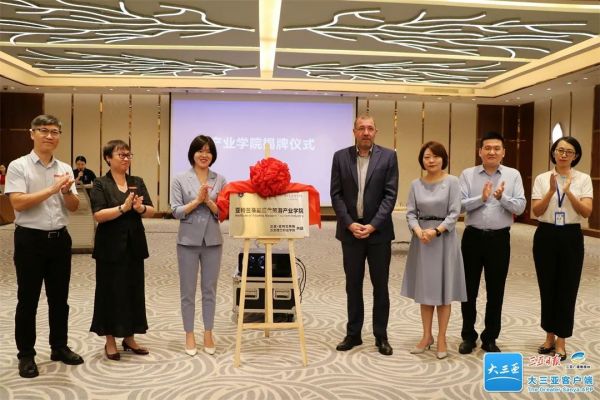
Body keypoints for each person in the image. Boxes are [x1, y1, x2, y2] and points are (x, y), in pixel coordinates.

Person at [5, 114, 83, 378]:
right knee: (28, 300)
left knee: (59, 299)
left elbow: (74, 206)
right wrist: (52, 189)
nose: (49, 136)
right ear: (32, 133)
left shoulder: (65, 168)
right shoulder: (19, 166)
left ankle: (59, 346)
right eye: (43, 130)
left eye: (54, 131)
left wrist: (65, 191)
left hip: (60, 239)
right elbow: (17, 202)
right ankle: (26, 354)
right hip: (30, 240)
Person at [330, 114, 399, 356]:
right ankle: (353, 334)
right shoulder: (340, 157)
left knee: (380, 286)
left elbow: (390, 195)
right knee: (353, 285)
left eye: (370, 128)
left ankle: (381, 335)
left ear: (376, 132)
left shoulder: (388, 157)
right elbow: (336, 195)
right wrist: (349, 224)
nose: (366, 132)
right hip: (350, 233)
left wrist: (373, 225)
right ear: (354, 132)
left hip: (378, 234)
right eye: (361, 128)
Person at [458, 131, 526, 354]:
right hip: (472, 237)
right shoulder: (467, 174)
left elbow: (520, 207)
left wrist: (501, 198)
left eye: (497, 148)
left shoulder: (513, 175)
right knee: (468, 290)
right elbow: (458, 206)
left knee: (496, 290)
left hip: (499, 239)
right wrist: (482, 198)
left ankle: (490, 337)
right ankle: (468, 336)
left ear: (503, 152)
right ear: (480, 151)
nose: (492, 152)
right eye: (487, 148)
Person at [89, 140, 155, 361]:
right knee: (109, 291)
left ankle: (129, 337)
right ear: (108, 158)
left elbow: (151, 210)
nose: (126, 159)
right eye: (121, 155)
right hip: (109, 247)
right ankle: (110, 339)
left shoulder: (137, 181)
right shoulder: (100, 183)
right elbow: (98, 215)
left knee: (133, 290)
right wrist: (123, 208)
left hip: (134, 245)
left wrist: (139, 208)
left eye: (128, 155)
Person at [401, 141, 466, 359]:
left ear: (443, 159)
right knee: (425, 291)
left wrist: (436, 231)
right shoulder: (415, 184)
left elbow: (455, 213)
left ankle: (441, 338)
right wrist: (418, 230)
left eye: (435, 156)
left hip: (443, 240)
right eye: (427, 157)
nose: (431, 161)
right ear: (422, 160)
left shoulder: (452, 182)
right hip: (422, 241)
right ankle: (426, 335)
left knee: (444, 293)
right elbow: (411, 213)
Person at [531, 136, 593, 361]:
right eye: (560, 150)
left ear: (576, 156)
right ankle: (548, 336)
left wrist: (569, 193)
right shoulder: (542, 178)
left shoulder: (583, 179)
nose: (563, 154)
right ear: (554, 152)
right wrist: (551, 191)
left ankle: (561, 340)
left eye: (569, 151)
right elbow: (536, 211)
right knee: (547, 286)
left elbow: (586, 212)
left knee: (567, 288)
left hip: (571, 236)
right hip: (546, 234)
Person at [170, 135, 226, 356]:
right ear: (192, 153)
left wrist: (209, 201)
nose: (204, 155)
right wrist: (196, 201)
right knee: (188, 291)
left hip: (213, 240)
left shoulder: (220, 179)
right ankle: (189, 333)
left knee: (209, 290)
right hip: (187, 241)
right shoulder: (180, 179)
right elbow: (175, 211)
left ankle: (208, 332)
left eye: (208, 151)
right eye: (200, 150)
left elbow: (223, 213)